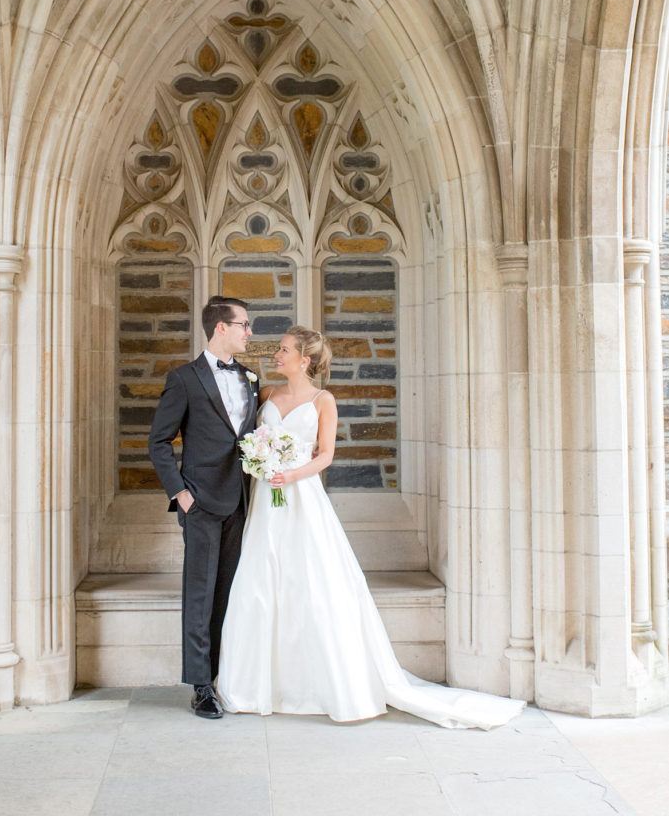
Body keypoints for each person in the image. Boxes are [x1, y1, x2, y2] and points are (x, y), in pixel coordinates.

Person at [216, 325, 526, 729]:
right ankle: (256, 685)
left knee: (312, 582)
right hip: (266, 501)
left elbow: (325, 455)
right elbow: (251, 437)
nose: (276, 354)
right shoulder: (268, 395)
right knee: (260, 583)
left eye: (284, 349)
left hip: (301, 498)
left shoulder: (323, 400)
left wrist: (290, 476)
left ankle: (320, 683)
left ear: (304, 360)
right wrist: (260, 462)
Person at [148, 295, 259, 719]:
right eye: (244, 325)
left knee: (228, 592)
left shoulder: (250, 377)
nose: (249, 332)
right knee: (200, 593)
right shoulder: (184, 379)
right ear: (221, 329)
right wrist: (180, 493)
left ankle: (223, 675)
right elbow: (158, 442)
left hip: (241, 500)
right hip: (201, 502)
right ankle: (200, 686)